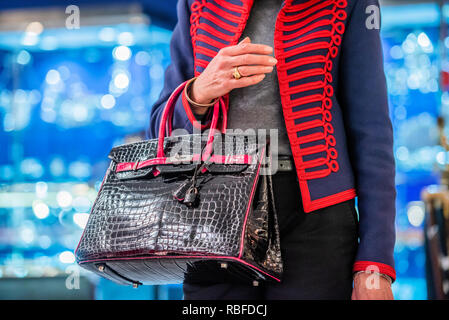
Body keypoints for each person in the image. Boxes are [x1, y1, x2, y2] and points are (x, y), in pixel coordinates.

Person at [148, 0, 395, 300]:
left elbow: (373, 134)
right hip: (215, 216)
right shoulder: (198, 5)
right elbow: (159, 127)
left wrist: (375, 263)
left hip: (316, 222)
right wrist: (200, 91)